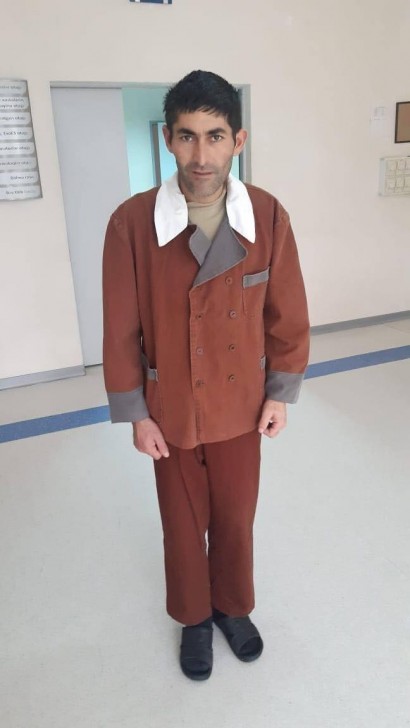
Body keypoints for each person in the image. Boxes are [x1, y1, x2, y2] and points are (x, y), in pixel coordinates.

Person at [102, 70, 310, 681]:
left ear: (237, 141)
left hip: (242, 404)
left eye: (215, 136)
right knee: (181, 521)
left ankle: (232, 608)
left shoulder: (267, 215)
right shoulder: (132, 222)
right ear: (168, 139)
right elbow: (120, 329)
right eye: (187, 136)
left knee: (236, 518)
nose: (201, 155)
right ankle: (194, 616)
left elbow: (287, 312)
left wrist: (281, 394)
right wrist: (135, 414)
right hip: (169, 406)